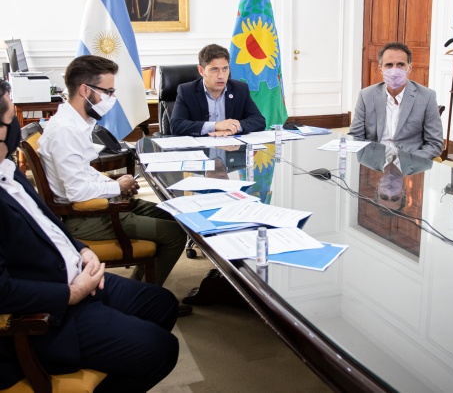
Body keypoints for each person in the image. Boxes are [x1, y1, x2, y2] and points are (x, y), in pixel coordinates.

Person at [0, 80, 179, 392]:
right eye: (9, 118)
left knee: (162, 303)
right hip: (51, 309)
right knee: (162, 349)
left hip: (78, 273)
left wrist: (81, 249)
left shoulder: (7, 168)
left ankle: (114, 349)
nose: (16, 124)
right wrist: (71, 294)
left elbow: (48, 223)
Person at [37, 55, 187, 290]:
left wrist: (118, 182)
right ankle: (146, 298)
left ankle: (141, 287)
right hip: (85, 217)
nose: (112, 98)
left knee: (175, 215)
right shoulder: (66, 131)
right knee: (176, 234)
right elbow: (76, 192)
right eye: (107, 92)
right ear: (85, 90)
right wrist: (117, 186)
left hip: (99, 204)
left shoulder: (75, 122)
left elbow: (82, 172)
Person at [348, 42, 444, 159]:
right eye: (389, 65)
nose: (394, 71)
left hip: (409, 164)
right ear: (381, 69)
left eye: (400, 65)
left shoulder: (427, 96)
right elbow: (355, 137)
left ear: (409, 68)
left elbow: (435, 144)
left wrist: (407, 160)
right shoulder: (366, 95)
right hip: (375, 162)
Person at [170, 44, 266, 137]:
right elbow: (176, 126)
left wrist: (234, 127)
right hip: (202, 145)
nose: (221, 76)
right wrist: (215, 126)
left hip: (231, 145)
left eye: (225, 69)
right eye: (214, 69)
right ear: (201, 71)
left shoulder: (240, 89)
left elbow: (259, 120)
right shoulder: (187, 91)